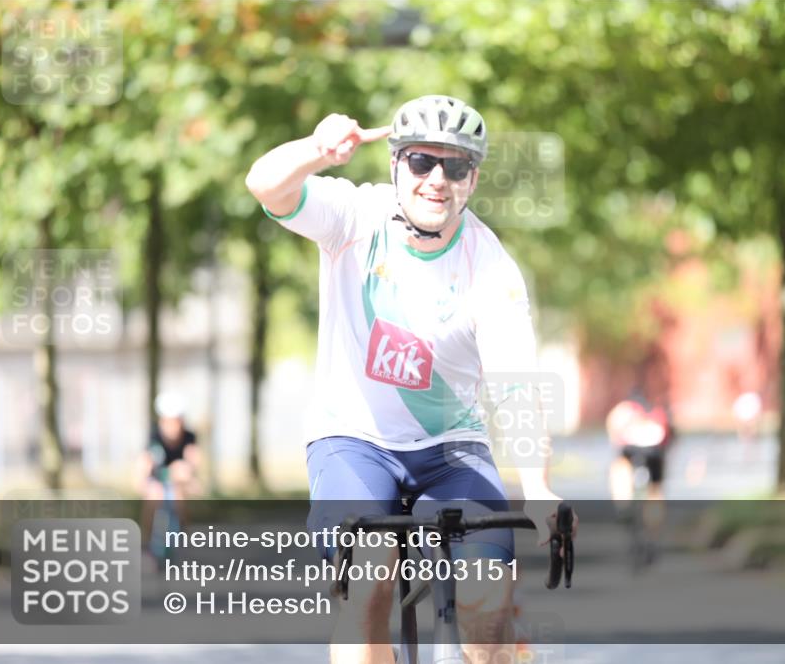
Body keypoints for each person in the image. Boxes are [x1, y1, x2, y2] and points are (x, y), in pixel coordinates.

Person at [245, 95, 576, 663]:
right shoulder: (354, 216)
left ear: (473, 178)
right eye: (422, 162)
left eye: (456, 166)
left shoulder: (489, 265)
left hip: (451, 449)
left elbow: (515, 384)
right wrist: (315, 152)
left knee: (486, 607)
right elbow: (265, 185)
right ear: (396, 165)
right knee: (368, 583)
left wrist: (539, 486)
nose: (437, 180)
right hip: (353, 441)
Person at [606, 391, 671, 560]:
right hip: (656, 452)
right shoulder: (658, 411)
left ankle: (624, 505)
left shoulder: (623, 410)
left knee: (619, 468)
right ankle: (654, 531)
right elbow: (670, 439)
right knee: (655, 491)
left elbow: (614, 436)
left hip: (629, 448)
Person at [138, 392, 201, 548]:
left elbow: (193, 458)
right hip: (158, 477)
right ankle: (147, 538)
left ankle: (184, 529)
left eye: (177, 421)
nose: (174, 426)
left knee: (178, 493)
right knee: (154, 495)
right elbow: (145, 463)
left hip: (178, 480)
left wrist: (191, 472)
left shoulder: (188, 437)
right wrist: (142, 480)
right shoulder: (154, 437)